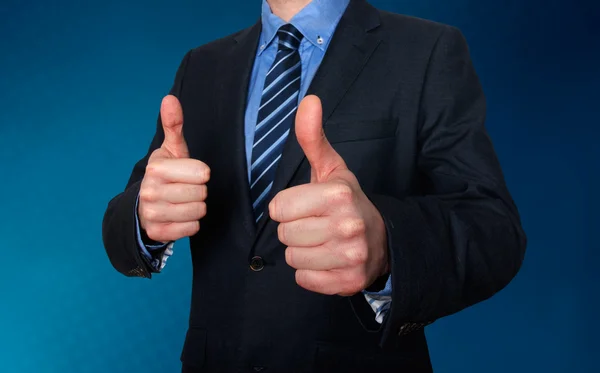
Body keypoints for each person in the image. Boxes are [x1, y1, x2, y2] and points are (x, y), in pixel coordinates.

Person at [102, 0, 527, 371]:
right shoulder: (201, 64)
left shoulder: (427, 50)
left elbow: (493, 229)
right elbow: (124, 226)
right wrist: (143, 215)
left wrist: (387, 246)